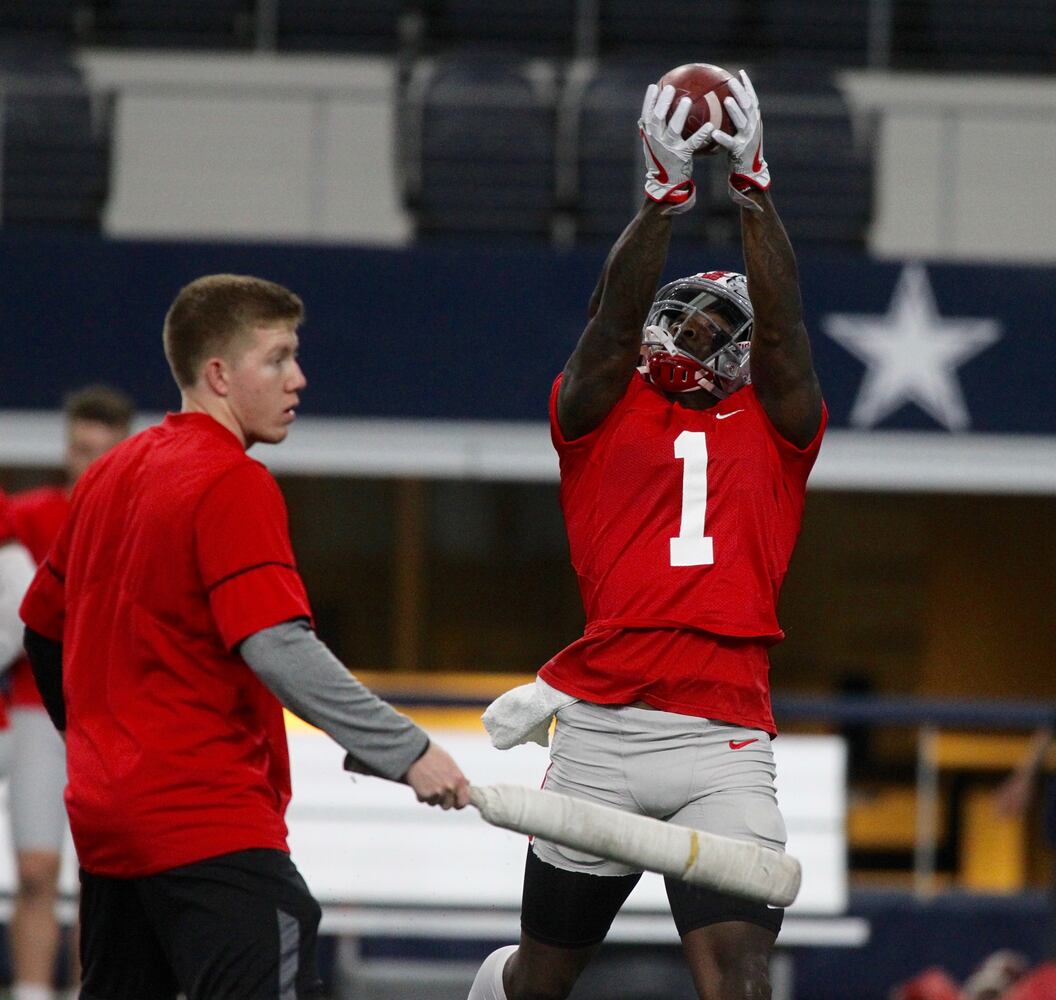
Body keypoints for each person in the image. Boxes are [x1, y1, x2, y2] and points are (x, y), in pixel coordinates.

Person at [468, 71, 826, 1000]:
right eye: (683, 310)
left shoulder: (775, 420)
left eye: (716, 323)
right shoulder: (600, 407)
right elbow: (610, 324)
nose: (687, 328)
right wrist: (663, 201)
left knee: (740, 985)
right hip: (600, 734)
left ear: (746, 352)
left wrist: (752, 188)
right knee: (543, 981)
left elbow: (786, 339)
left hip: (726, 738)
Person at [20, 274, 471, 1000]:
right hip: (205, 819)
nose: (299, 377)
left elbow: (42, 629)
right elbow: (277, 645)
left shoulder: (109, 474)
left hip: (109, 826)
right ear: (220, 374)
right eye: (279, 357)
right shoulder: (232, 481)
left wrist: (99, 744)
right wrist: (407, 752)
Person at [5, 385, 134, 1000]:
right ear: (65, 450)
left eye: (105, 452)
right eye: (82, 450)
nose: (92, 464)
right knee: (35, 873)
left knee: (101, 877)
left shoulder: (143, 522)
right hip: (37, 711)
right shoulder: (27, 517)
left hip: (110, 719)